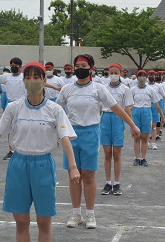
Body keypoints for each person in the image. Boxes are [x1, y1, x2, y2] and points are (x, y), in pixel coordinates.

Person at [0, 62, 80, 242]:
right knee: (21, 221)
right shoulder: (14, 107)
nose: (32, 81)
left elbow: (65, 138)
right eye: (27, 78)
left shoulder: (55, 110)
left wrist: (73, 167)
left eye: (36, 77)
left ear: (44, 81)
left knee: (44, 222)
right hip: (18, 165)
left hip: (43, 165)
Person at [56, 54, 140, 229]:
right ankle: (76, 213)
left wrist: (132, 125)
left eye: (84, 65)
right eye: (77, 65)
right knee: (74, 176)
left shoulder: (98, 88)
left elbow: (116, 108)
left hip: (91, 133)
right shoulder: (67, 89)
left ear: (91, 68)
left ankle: (90, 214)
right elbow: (56, 111)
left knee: (88, 175)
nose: (80, 68)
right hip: (71, 134)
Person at [100, 63, 139, 196]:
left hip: (118, 121)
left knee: (116, 153)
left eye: (116, 73)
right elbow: (99, 107)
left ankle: (116, 183)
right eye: (111, 73)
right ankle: (107, 183)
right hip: (105, 119)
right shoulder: (103, 88)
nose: (113, 75)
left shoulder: (125, 89)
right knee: (106, 153)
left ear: (121, 74)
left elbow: (127, 109)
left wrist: (132, 126)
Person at [130, 70, 164, 166]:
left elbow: (156, 103)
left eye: (143, 76)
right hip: (136, 112)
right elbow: (129, 104)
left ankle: (143, 158)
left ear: (146, 77)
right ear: (137, 78)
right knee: (136, 137)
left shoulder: (150, 90)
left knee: (145, 137)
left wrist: (162, 115)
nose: (142, 77)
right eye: (140, 76)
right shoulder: (133, 90)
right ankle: (137, 158)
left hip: (146, 112)